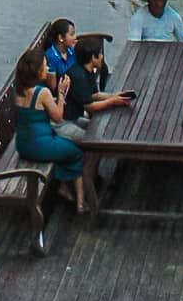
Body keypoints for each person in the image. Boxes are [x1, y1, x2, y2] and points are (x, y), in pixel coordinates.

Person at [13, 48, 85, 210]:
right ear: (37, 71)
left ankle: (63, 187)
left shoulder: (19, 89)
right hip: (40, 146)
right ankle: (80, 203)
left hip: (23, 145)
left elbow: (35, 109)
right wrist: (61, 94)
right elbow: (58, 117)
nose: (47, 69)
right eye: (45, 66)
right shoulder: (42, 92)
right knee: (76, 152)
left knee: (61, 147)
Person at [59, 37, 132, 140]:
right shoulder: (79, 76)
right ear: (93, 57)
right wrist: (112, 101)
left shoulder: (87, 70)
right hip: (63, 122)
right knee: (94, 138)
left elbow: (94, 95)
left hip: (75, 117)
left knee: (104, 130)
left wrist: (115, 95)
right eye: (100, 54)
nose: (102, 57)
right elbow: (90, 107)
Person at [43, 19, 77, 87]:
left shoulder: (72, 50)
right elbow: (53, 86)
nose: (75, 37)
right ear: (61, 37)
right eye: (71, 34)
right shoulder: (50, 57)